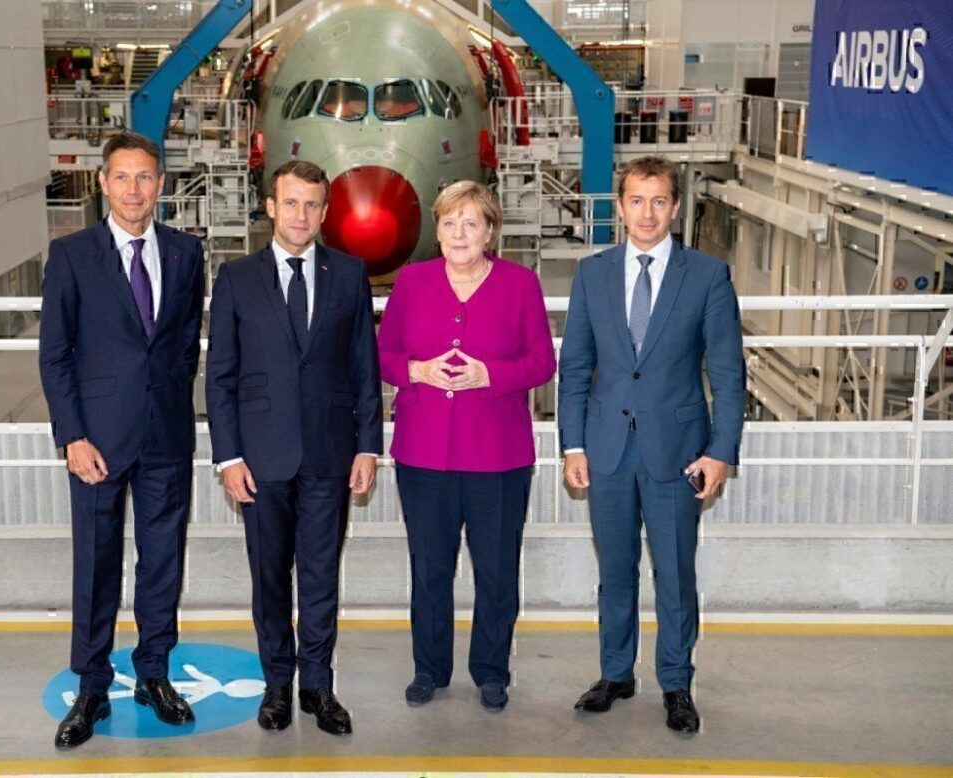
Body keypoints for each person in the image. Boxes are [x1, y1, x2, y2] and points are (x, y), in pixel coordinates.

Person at [558, 155, 745, 733]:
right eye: (636, 200)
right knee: (615, 573)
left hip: (678, 454)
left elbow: (729, 373)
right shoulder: (592, 274)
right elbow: (576, 367)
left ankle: (676, 682)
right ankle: (616, 673)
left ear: (676, 206)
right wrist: (573, 446)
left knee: (675, 575)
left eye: (659, 200)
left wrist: (720, 452)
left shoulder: (708, 276)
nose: (647, 212)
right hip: (607, 449)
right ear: (619, 207)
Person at [39, 131, 205, 749]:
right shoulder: (72, 254)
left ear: (160, 184)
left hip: (165, 435)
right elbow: (54, 355)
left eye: (145, 177)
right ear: (103, 183)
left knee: (163, 562)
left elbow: (183, 343)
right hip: (97, 444)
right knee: (97, 563)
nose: (134, 189)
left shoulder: (188, 253)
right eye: (122, 177)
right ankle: (90, 684)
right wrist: (72, 435)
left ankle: (154, 673)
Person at [205, 160, 383, 736]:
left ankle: (318, 687)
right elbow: (221, 378)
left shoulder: (350, 274)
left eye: (312, 204)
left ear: (325, 211)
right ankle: (277, 686)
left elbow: (364, 368)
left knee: (321, 575)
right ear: (270, 207)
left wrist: (367, 447)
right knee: (270, 578)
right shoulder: (235, 278)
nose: (301, 215)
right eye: (291, 203)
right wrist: (228, 457)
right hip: (259, 461)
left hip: (331, 456)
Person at [377, 181, 556, 712]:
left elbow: (542, 363)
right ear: (438, 228)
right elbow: (382, 354)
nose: (459, 233)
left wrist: (490, 376)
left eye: (471, 223)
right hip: (423, 454)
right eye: (450, 222)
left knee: (497, 571)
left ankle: (492, 670)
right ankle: (428, 668)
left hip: (498, 458)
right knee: (430, 568)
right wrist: (417, 371)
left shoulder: (520, 285)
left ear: (490, 231)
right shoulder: (411, 281)